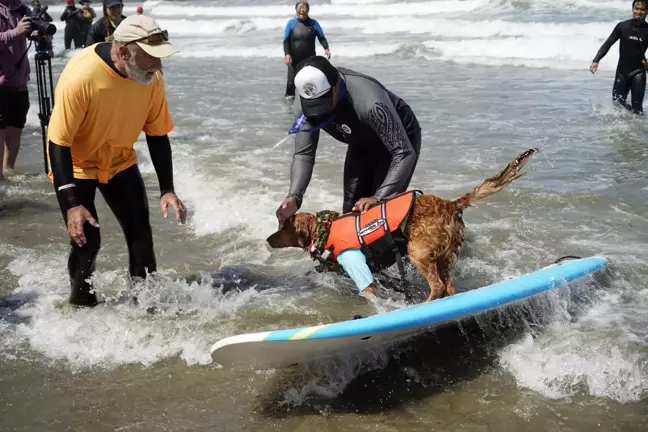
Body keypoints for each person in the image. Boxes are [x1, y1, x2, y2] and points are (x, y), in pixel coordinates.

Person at [46, 14, 187, 307]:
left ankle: (144, 306)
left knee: (141, 235)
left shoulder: (150, 79)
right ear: (123, 52)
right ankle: (81, 306)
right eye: (153, 58)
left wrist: (167, 189)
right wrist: (71, 203)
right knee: (87, 243)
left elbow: (157, 135)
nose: (159, 66)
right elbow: (58, 143)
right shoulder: (82, 78)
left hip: (119, 160)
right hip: (77, 164)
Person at [275, 56, 422, 228]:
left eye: (324, 102)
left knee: (379, 216)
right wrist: (294, 196)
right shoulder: (304, 104)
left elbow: (404, 152)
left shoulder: (370, 102)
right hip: (360, 142)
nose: (320, 111)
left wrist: (378, 198)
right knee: (350, 216)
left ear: (336, 84)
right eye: (313, 105)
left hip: (399, 144)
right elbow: (304, 154)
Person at [590, 0, 648, 114]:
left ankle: (639, 129)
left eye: (642, 9)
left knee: (637, 109)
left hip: (639, 73)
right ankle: (625, 124)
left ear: (647, 11)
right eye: (636, 9)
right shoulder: (623, 26)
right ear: (632, 9)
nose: (639, 12)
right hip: (622, 72)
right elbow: (608, 43)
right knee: (617, 104)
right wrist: (596, 60)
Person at [0, 0, 33, 180]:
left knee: (15, 129)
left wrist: (37, 31)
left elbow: (33, 27)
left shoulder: (23, 8)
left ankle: (8, 173)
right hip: (0, 82)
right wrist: (16, 32)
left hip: (19, 81)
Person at [282, 1, 330, 98]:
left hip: (310, 60)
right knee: (291, 84)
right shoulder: (291, 23)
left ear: (308, 10)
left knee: (309, 84)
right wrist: (287, 54)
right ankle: (289, 109)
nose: (302, 10)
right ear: (296, 10)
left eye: (304, 8)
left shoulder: (314, 23)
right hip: (293, 60)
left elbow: (322, 38)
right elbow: (286, 41)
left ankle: (309, 104)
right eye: (299, 8)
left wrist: (326, 48)